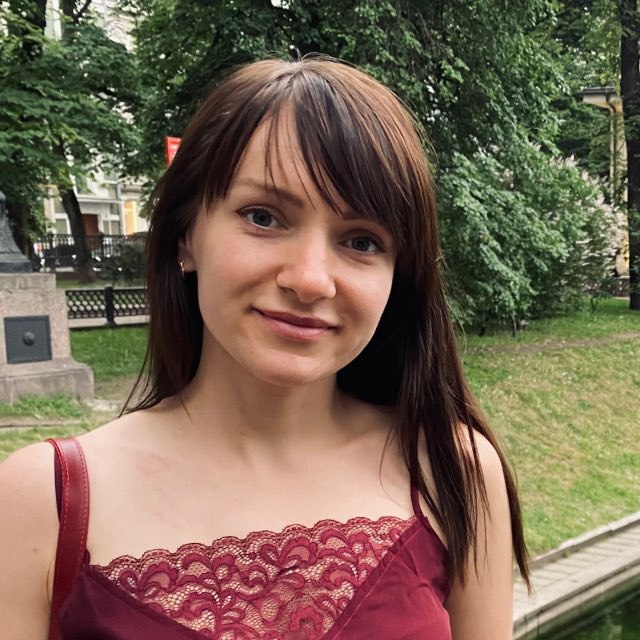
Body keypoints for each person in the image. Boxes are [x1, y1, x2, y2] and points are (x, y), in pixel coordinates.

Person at [0, 56, 529, 640]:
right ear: (185, 235)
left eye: (361, 241)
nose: (310, 279)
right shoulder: (43, 503)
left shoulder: (452, 470)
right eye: (264, 217)